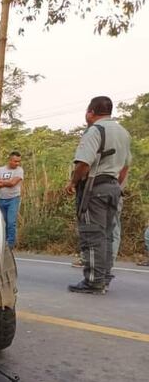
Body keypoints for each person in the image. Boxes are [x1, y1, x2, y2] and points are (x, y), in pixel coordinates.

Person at [64, 95, 131, 294]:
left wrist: (73, 182)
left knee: (92, 234)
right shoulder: (123, 132)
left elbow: (84, 163)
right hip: (113, 188)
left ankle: (94, 281)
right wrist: (115, 187)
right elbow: (125, 167)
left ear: (90, 112)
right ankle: (104, 277)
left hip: (95, 188)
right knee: (107, 235)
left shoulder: (96, 130)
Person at [0, 151, 24, 249]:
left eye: (19, 161)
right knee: (2, 222)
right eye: (15, 161)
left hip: (13, 198)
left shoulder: (19, 170)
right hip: (1, 198)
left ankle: (10, 244)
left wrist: (1, 182)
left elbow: (13, 183)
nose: (17, 163)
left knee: (11, 222)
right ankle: (3, 241)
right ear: (10, 160)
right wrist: (6, 182)